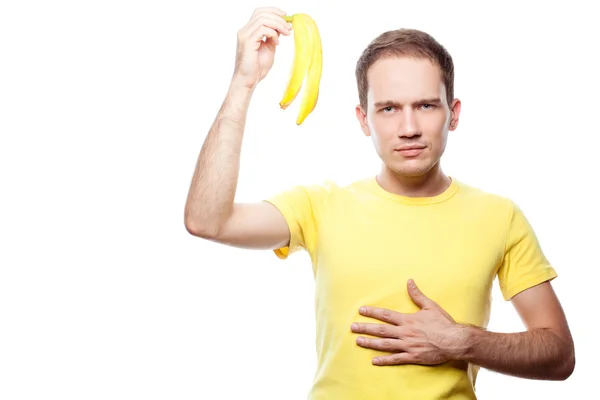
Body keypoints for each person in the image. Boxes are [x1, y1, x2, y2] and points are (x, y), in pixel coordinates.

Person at [184, 6, 575, 399]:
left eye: (425, 106)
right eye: (388, 109)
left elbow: (559, 355)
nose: (408, 129)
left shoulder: (500, 216)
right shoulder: (320, 207)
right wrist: (243, 82)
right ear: (363, 119)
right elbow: (207, 221)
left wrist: (463, 340)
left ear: (453, 114)